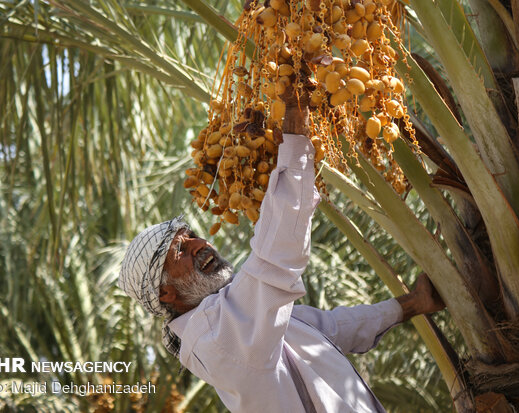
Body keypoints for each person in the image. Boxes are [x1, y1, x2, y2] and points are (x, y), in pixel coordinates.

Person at [118, 90, 445, 412]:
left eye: (192, 237)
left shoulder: (235, 319)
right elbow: (273, 259)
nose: (200, 244)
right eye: (180, 250)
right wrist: (294, 130)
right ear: (166, 294)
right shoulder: (216, 337)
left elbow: (327, 330)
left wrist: (412, 304)